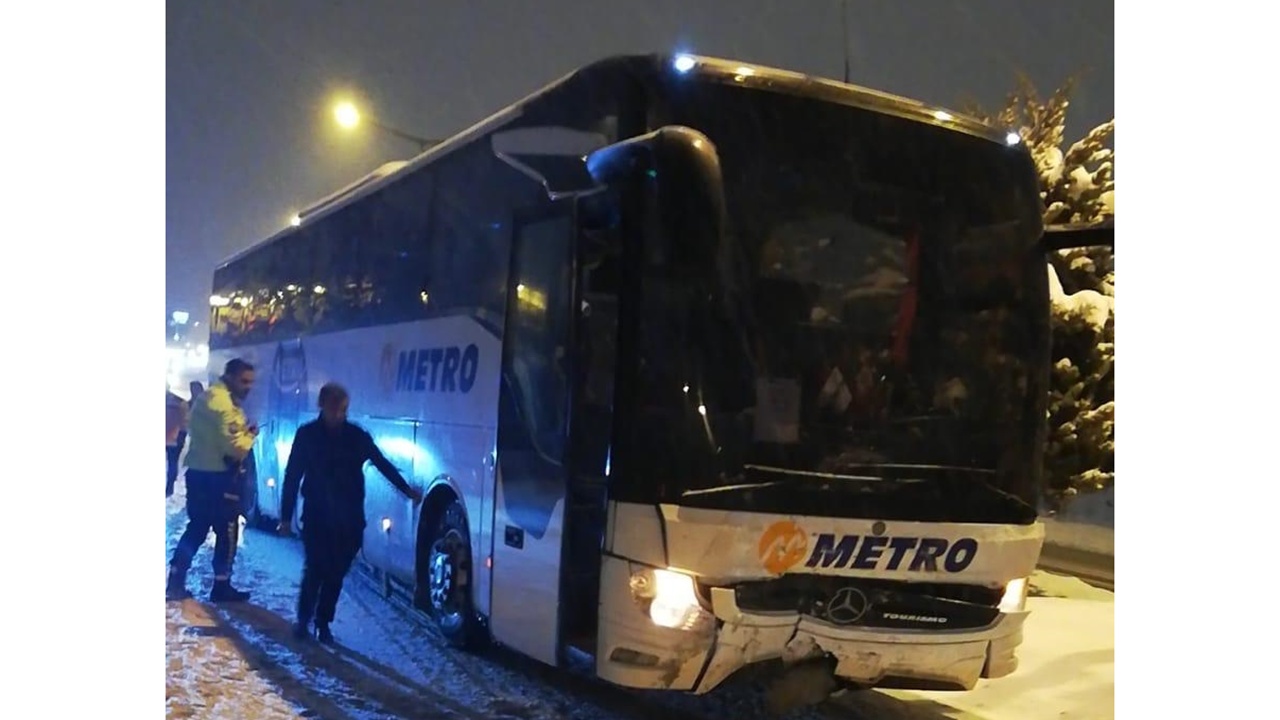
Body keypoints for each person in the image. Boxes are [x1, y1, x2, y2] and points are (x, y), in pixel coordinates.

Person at [279, 382, 423, 642]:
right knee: (315, 569)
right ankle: (305, 620)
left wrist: (406, 490)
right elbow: (292, 476)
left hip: (349, 519)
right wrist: (285, 517)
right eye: (333, 408)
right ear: (321, 405)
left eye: (342, 409)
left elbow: (381, 463)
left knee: (335, 572)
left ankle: (322, 621)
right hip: (317, 515)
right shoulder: (307, 435)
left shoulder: (356, 436)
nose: (337, 414)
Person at [166, 359, 259, 602]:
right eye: (244, 381)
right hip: (218, 479)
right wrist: (249, 436)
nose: (248, 387)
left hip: (200, 475)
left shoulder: (211, 398)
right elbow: (235, 448)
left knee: (196, 528)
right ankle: (221, 586)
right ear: (230, 377)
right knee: (226, 532)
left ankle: (175, 580)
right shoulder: (222, 405)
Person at [165, 390, 190, 497]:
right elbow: (186, 423)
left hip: (170, 435)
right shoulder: (182, 403)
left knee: (172, 463)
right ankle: (169, 488)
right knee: (172, 462)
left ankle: (169, 487)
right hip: (175, 437)